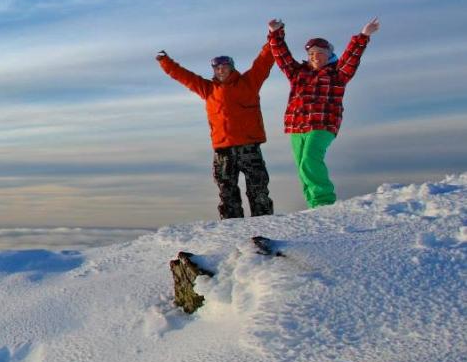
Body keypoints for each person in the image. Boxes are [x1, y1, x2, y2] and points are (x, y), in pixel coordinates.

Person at [267, 17, 380, 208]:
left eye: (319, 53)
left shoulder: (338, 73)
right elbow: (281, 56)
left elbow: (351, 58)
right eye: (311, 54)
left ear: (329, 55)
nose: (315, 57)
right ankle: (313, 205)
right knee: (302, 167)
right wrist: (275, 32)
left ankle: (324, 201)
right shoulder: (297, 72)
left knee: (310, 160)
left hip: (322, 125)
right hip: (297, 126)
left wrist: (363, 35)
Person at [156, 42, 274, 220]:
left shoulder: (249, 82)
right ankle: (230, 227)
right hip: (223, 151)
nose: (221, 70)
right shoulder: (208, 89)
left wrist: (274, 36)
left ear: (231, 67)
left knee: (258, 190)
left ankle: (264, 225)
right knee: (227, 193)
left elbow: (263, 62)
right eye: (217, 68)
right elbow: (184, 76)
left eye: (224, 66)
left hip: (249, 148)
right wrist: (165, 61)